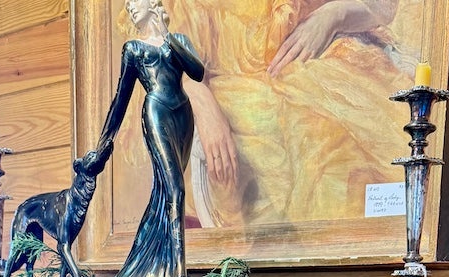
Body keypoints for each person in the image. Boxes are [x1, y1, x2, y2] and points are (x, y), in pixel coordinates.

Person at [161, 0, 413, 228]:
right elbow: (164, 48)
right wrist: (201, 100)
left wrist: (333, 15)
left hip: (323, 59)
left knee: (349, 146)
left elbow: (383, 7)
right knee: (304, 147)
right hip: (239, 92)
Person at [95, 0, 205, 277]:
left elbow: (198, 72)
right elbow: (120, 101)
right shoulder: (133, 49)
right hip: (156, 111)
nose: (130, 7)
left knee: (166, 194)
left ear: (153, 3)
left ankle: (156, 269)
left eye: (134, 1)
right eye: (127, 5)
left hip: (183, 113)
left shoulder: (178, 40)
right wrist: (103, 145)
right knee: (176, 191)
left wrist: (167, 33)